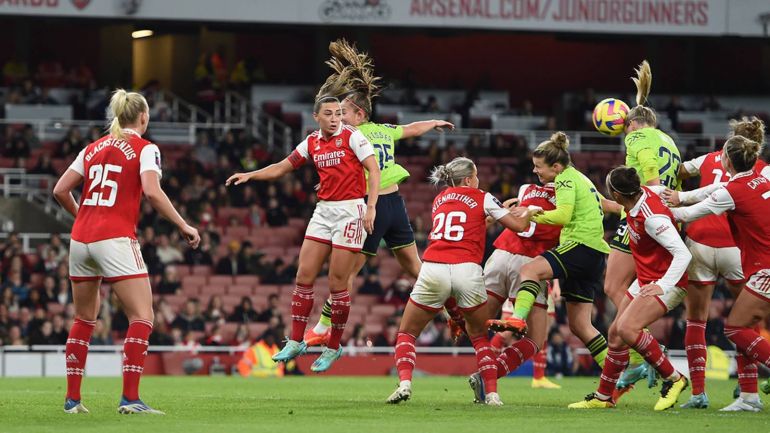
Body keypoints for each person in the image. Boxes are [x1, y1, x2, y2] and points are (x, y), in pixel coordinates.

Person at [53, 89, 200, 415]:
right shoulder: (146, 149)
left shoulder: (91, 148)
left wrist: (84, 217)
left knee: (83, 319)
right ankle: (130, 398)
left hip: (80, 240)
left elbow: (60, 190)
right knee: (142, 316)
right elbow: (152, 191)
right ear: (144, 117)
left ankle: (72, 400)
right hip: (115, 238)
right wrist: (183, 224)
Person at [303, 39, 455, 346]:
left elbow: (350, 166)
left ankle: (321, 329)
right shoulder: (385, 129)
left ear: (359, 114)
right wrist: (434, 122)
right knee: (416, 269)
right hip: (395, 206)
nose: (339, 117)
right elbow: (411, 128)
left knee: (346, 276)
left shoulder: (351, 135)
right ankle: (455, 313)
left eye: (344, 111)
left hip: (369, 208)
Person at [226, 94, 380, 373]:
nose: (335, 119)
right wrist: (251, 175)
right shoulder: (311, 142)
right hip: (323, 211)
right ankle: (296, 340)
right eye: (330, 114)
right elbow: (281, 167)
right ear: (316, 117)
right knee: (303, 275)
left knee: (337, 284)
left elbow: (373, 168)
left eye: (338, 113)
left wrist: (371, 207)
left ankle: (333, 346)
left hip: (351, 210)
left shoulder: (353, 137)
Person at [386, 157, 530, 406]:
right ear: (467, 179)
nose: (478, 180)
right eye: (475, 175)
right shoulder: (483, 197)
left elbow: (467, 224)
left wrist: (496, 212)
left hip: (433, 267)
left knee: (407, 333)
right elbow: (518, 226)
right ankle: (493, 395)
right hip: (467, 270)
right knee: (479, 337)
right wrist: (529, 212)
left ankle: (405, 384)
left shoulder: (440, 199)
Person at [487, 132, 612, 371]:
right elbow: (609, 204)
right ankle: (613, 380)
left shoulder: (563, 180)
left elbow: (563, 216)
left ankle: (517, 318)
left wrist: (533, 212)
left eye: (538, 167)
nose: (535, 171)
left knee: (530, 270)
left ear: (556, 166)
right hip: (595, 255)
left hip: (577, 246)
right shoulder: (583, 181)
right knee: (580, 325)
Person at [568, 166, 690, 411]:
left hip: (666, 282)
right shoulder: (641, 195)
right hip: (646, 279)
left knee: (626, 328)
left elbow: (682, 253)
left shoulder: (653, 219)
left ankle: (675, 379)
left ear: (617, 194)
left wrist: (663, 285)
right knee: (615, 335)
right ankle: (604, 398)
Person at [667, 135, 770, 412]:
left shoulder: (732, 190)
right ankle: (749, 397)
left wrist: (657, 208)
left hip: (764, 268)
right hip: (751, 263)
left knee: (735, 327)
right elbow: (713, 190)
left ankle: (713, 393)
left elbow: (688, 215)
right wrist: (682, 197)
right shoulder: (762, 177)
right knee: (746, 326)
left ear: (726, 159)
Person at [608, 61, 683, 390]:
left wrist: (637, 209)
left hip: (642, 218)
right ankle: (641, 347)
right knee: (625, 294)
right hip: (663, 219)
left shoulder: (637, 138)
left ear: (633, 124)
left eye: (625, 128)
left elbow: (651, 179)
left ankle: (645, 348)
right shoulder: (670, 141)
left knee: (613, 287)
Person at [475, 179, 563, 393]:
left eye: (537, 166)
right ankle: (488, 376)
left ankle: (454, 314)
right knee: (536, 338)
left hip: (499, 255)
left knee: (476, 325)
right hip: (529, 264)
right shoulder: (570, 198)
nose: (534, 170)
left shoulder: (526, 189)